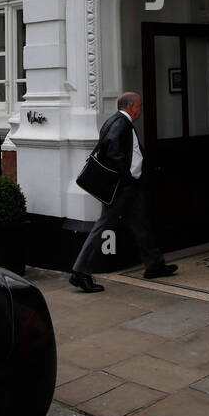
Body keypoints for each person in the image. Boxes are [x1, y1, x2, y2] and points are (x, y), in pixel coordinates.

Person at [69, 90, 178, 294]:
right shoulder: (120, 124)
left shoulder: (118, 122)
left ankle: (154, 265)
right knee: (102, 227)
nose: (141, 110)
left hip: (130, 187)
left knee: (140, 223)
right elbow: (114, 153)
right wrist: (126, 179)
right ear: (131, 106)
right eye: (140, 106)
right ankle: (80, 272)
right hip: (122, 189)